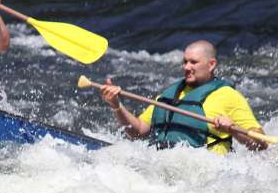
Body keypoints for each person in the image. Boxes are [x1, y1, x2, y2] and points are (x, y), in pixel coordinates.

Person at [99, 40, 267, 154]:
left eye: (193, 62)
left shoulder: (228, 96)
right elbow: (138, 131)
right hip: (165, 172)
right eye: (185, 62)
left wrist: (234, 129)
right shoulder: (172, 93)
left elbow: (261, 144)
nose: (186, 67)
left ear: (211, 64)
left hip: (208, 178)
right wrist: (116, 105)